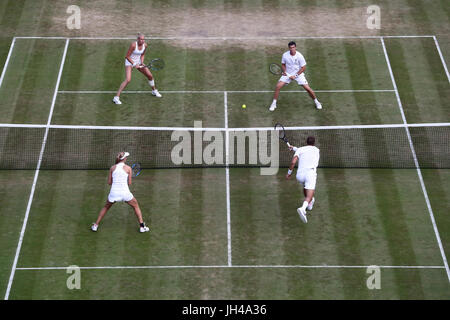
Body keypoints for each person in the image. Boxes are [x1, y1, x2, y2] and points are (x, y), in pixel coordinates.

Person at [91, 152, 150, 233]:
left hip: (114, 193)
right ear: (124, 159)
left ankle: (95, 226)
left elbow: (109, 182)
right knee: (136, 206)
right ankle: (142, 227)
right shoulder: (128, 168)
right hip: (125, 193)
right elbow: (129, 183)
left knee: (106, 207)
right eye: (126, 157)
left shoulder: (112, 168)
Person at [269, 41, 322, 111]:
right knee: (278, 86)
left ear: (295, 47)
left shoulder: (299, 56)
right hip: (288, 74)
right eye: (290, 48)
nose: (292, 49)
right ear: (289, 48)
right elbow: (283, 64)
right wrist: (285, 72)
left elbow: (303, 67)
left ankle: (317, 102)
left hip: (298, 74)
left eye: (293, 47)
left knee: (308, 88)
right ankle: (274, 103)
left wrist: (295, 75)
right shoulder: (285, 55)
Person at [112, 33, 162, 105]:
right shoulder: (133, 45)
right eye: (141, 39)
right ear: (138, 39)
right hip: (129, 62)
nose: (142, 41)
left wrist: (141, 62)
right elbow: (127, 56)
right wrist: (134, 64)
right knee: (128, 80)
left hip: (138, 62)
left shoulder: (145, 45)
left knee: (150, 76)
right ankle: (116, 98)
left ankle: (154, 91)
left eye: (143, 39)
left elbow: (142, 54)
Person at [286, 136, 320, 223]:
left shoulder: (300, 149)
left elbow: (293, 162)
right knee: (309, 195)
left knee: (306, 187)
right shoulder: (317, 150)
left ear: (306, 142)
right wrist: (294, 149)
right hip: (310, 174)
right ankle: (303, 208)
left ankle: (310, 202)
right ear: (314, 143)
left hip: (300, 175)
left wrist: (289, 173)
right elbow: (307, 152)